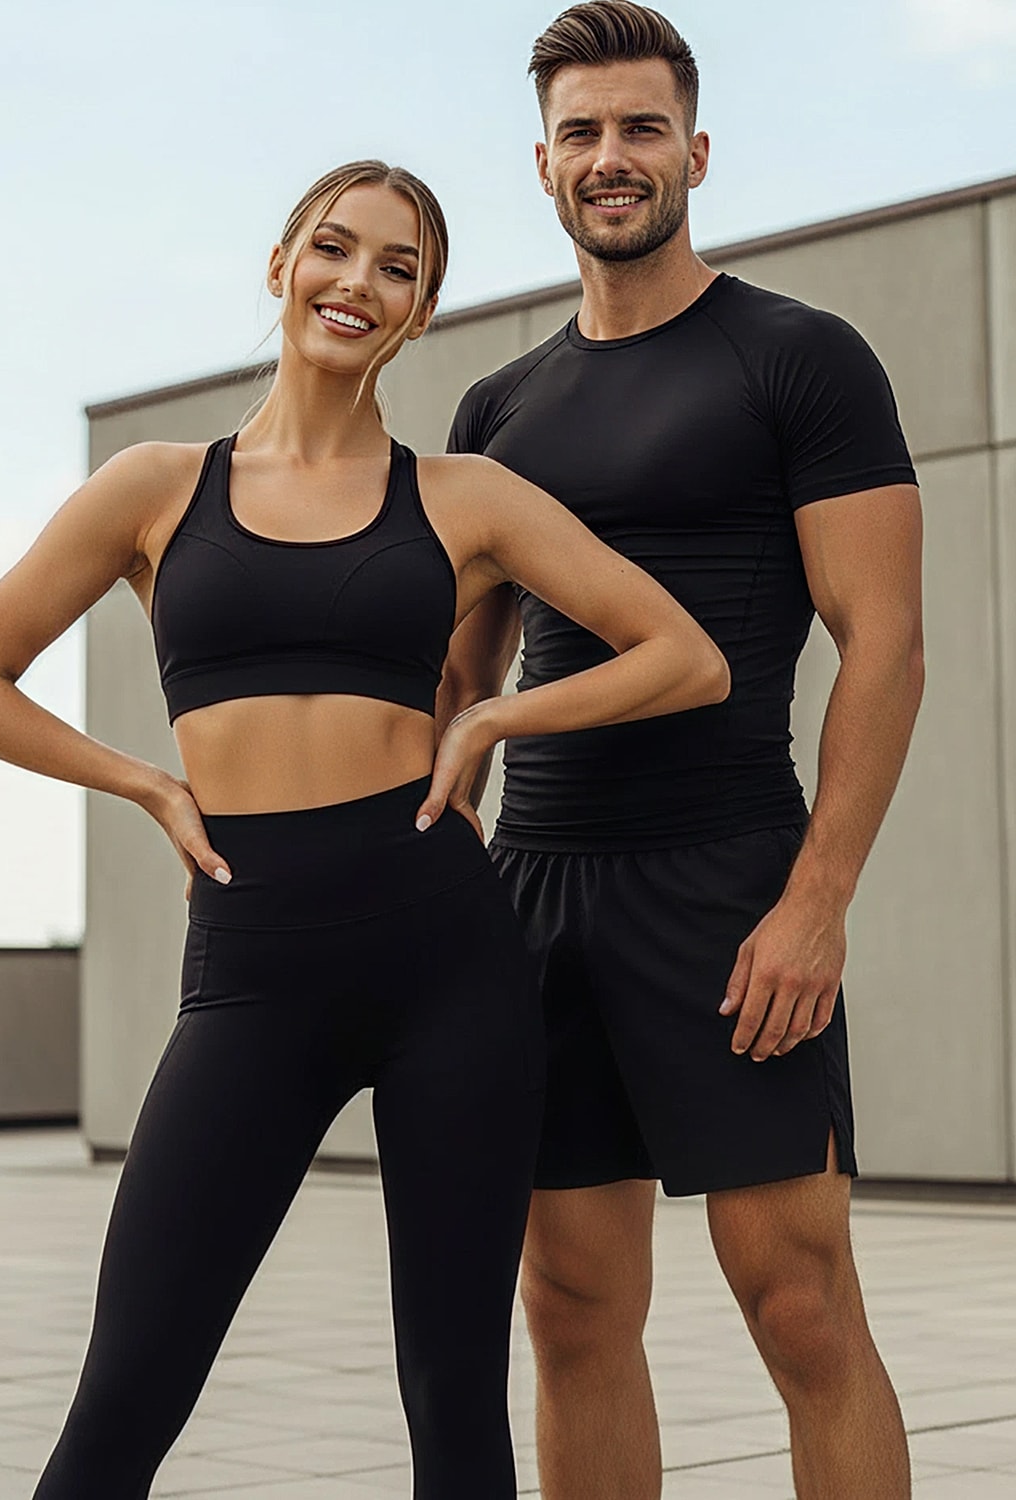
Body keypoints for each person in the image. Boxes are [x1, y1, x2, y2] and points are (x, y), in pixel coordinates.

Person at [0, 158, 728, 1500]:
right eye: (335, 249)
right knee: (123, 1399)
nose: (359, 281)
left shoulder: (463, 496)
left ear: (420, 316)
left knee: (456, 1410)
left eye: (397, 269)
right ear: (283, 267)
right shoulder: (157, 488)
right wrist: (147, 785)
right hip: (251, 959)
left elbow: (684, 656)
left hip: (444, 959)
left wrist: (484, 726)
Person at [440, 6, 924, 1498]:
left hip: (728, 882)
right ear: (541, 163)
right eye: (582, 132)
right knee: (571, 1307)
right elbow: (455, 692)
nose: (612, 158)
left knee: (799, 1303)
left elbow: (886, 642)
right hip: (538, 892)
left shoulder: (802, 359)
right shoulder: (498, 409)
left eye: (641, 128)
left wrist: (817, 896)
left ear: (695, 151)